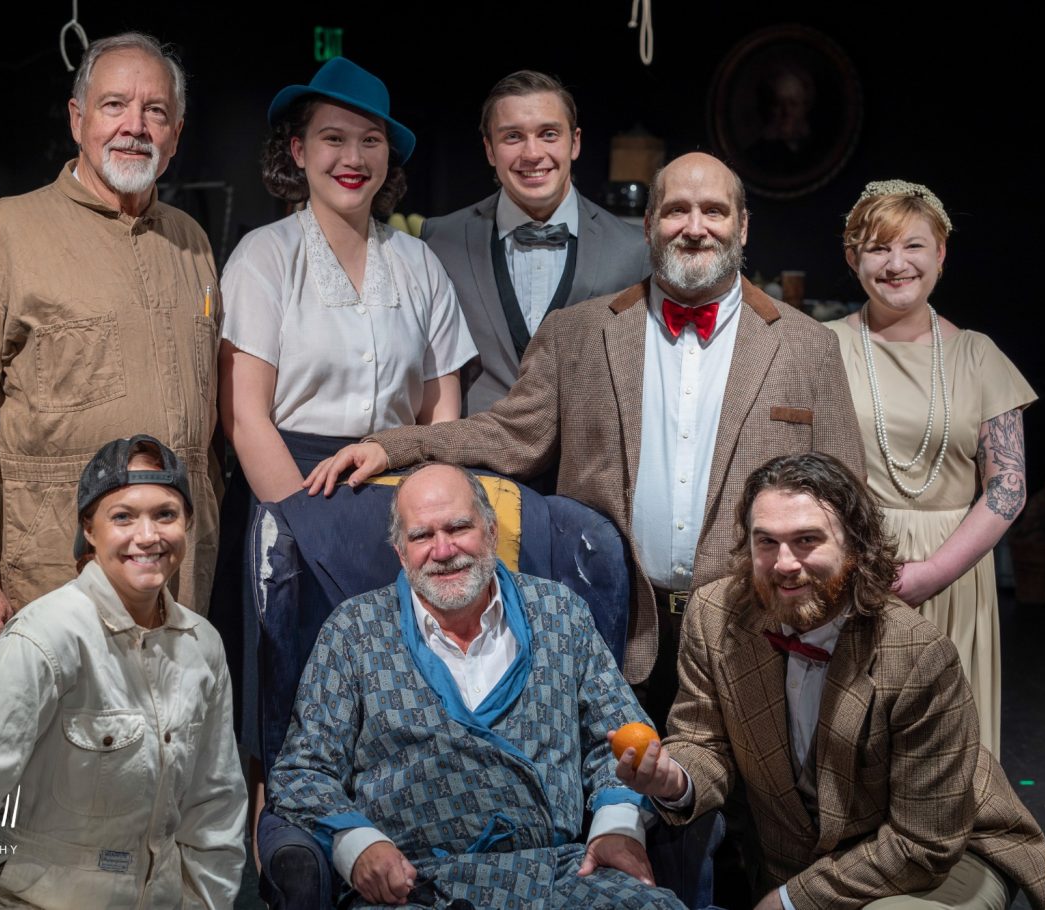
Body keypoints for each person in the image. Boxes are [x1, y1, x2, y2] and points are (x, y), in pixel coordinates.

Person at [306, 152, 865, 725]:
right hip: (615, 631)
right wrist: (395, 446)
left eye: (714, 211)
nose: (694, 227)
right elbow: (508, 434)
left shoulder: (808, 347)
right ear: (648, 225)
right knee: (618, 778)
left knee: (746, 784)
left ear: (742, 226)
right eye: (676, 210)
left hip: (758, 628)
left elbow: (848, 501)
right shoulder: (577, 334)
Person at [212, 55, 476, 836]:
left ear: (389, 157)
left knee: (395, 693)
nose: (351, 158)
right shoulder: (266, 256)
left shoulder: (417, 262)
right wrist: (306, 524)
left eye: (370, 140)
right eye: (332, 139)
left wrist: (429, 508)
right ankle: (285, 847)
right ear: (297, 151)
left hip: (396, 497)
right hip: (289, 494)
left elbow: (442, 408)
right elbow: (245, 416)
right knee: (290, 695)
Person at [617, 452, 1045, 910]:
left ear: (856, 547)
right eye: (767, 542)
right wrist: (676, 780)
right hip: (807, 858)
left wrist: (790, 901)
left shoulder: (916, 654)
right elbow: (703, 741)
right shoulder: (714, 617)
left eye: (807, 540)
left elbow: (924, 844)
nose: (784, 563)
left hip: (945, 850)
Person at [268, 463, 685, 908]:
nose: (443, 550)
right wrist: (358, 845)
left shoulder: (560, 613)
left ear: (490, 531)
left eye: (458, 528)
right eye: (422, 536)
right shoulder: (353, 630)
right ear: (400, 552)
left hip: (556, 876)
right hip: (412, 887)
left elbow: (619, 744)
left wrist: (617, 829)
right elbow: (303, 771)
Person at [0, 32, 222, 661]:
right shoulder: (5, 235)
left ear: (176, 133)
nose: (135, 126)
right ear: (77, 118)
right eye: (115, 105)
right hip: (51, 572)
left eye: (155, 111)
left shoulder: (192, 243)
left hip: (176, 576)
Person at [0, 435, 246, 909]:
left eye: (165, 514)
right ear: (89, 530)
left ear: (188, 523)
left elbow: (215, 807)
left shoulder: (203, 645)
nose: (148, 536)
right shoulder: (45, 640)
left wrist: (203, 903)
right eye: (123, 517)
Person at [825, 180, 1036, 755]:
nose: (896, 264)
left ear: (941, 254)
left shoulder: (978, 355)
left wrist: (935, 572)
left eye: (913, 246)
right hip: (851, 567)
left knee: (944, 750)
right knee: (854, 744)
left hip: (953, 569)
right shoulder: (821, 346)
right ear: (852, 258)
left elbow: (1008, 486)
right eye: (877, 248)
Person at [420, 70, 649, 414]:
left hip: (584, 446)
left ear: (574, 143)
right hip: (475, 445)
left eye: (548, 134)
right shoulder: (441, 240)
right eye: (513, 136)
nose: (532, 153)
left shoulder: (633, 250)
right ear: (489, 149)